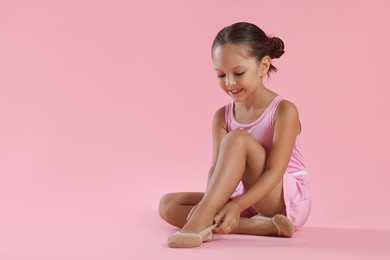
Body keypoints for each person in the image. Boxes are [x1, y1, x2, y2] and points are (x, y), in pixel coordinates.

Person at [159, 22, 312, 248]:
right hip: (247, 197)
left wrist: (236, 205)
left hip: (282, 199)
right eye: (221, 75)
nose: (230, 83)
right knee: (168, 205)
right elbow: (215, 168)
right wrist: (218, 202)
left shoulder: (284, 111)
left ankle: (202, 222)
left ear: (263, 66)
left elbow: (274, 171)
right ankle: (261, 226)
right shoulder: (222, 116)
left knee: (237, 138)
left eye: (238, 73)